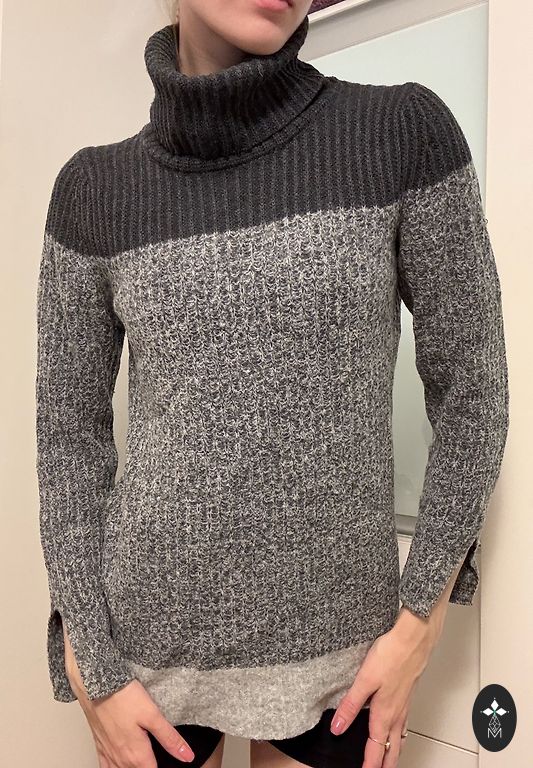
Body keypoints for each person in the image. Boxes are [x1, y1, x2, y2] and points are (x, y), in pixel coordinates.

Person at [34, 0, 509, 766]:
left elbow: (473, 392)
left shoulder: (401, 135)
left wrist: (419, 619)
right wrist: (92, 660)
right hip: (146, 661)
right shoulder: (94, 191)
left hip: (342, 660)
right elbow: (67, 443)